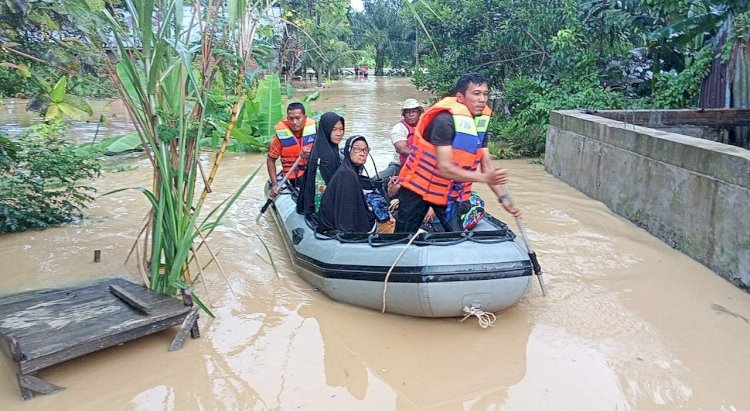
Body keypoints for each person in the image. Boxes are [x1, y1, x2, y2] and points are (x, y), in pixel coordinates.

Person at [394, 72, 521, 233]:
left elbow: (486, 164)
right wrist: (483, 178)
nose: (482, 99)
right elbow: (445, 167)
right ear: (460, 97)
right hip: (416, 189)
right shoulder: (444, 120)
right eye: (476, 94)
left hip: (446, 191)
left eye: (485, 94)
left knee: (457, 236)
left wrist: (503, 198)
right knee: (402, 237)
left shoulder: (479, 122)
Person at [318, 136, 376, 232]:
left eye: (365, 150)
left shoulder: (350, 170)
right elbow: (346, 216)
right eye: (357, 149)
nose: (362, 154)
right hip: (334, 225)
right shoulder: (347, 174)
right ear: (348, 150)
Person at [296, 112, 345, 216]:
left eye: (341, 129)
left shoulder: (325, 146)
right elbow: (322, 190)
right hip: (322, 208)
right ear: (326, 130)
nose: (339, 133)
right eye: (334, 129)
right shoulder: (325, 157)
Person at [266, 103, 316, 197]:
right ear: (287, 118)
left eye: (298, 118)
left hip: (311, 176)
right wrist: (275, 185)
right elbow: (271, 160)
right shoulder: (280, 137)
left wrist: (311, 154)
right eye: (291, 118)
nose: (294, 122)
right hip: (293, 179)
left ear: (304, 118)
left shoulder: (315, 134)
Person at [377, 98, 424, 180]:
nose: (411, 114)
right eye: (408, 112)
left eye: (414, 111)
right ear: (403, 115)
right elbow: (402, 149)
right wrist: (423, 158)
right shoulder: (399, 128)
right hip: (400, 165)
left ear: (419, 113)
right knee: (377, 179)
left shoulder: (426, 125)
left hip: (421, 165)